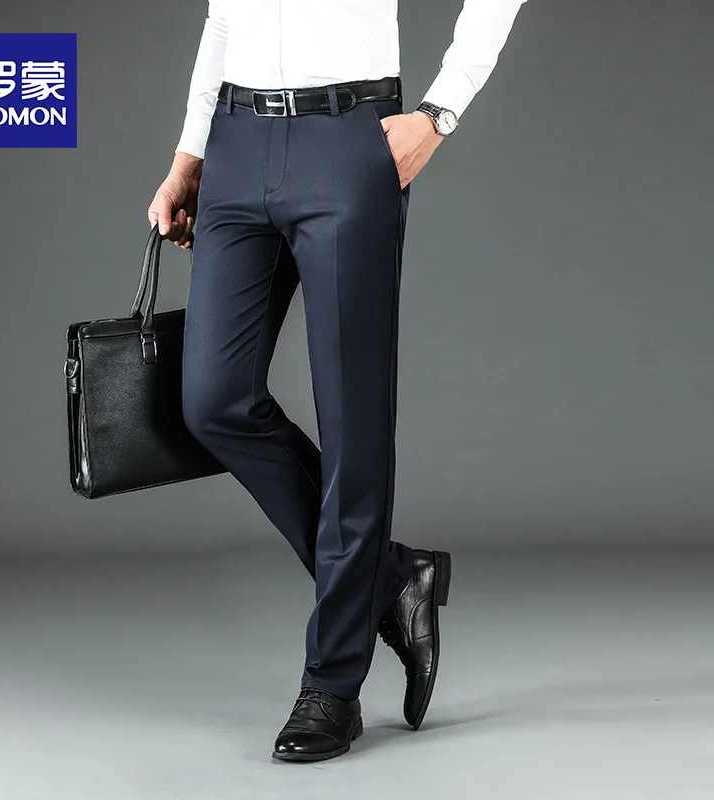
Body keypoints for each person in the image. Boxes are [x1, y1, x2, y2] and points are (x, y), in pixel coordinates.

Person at [148, 0, 528, 763]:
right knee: (214, 400)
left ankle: (332, 683)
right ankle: (390, 579)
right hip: (237, 140)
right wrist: (190, 154)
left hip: (348, 137)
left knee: (354, 422)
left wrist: (440, 111)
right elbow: (223, 18)